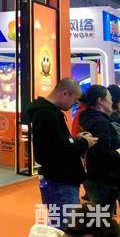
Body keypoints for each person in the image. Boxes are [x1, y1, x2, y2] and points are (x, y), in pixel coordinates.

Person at [26, 78, 98, 230]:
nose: (74, 105)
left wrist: (74, 140)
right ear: (65, 93)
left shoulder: (49, 113)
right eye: (74, 100)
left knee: (62, 225)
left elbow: (56, 144)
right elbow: (56, 152)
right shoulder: (47, 115)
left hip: (61, 181)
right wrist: (83, 144)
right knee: (65, 228)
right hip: (60, 182)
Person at [78, 85, 120, 213]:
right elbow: (103, 153)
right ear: (101, 101)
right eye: (109, 98)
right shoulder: (100, 123)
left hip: (97, 176)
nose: (112, 101)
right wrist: (118, 152)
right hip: (104, 178)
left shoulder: (90, 119)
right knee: (102, 218)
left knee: (101, 217)